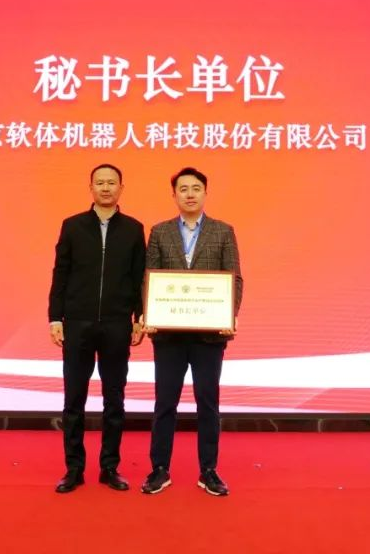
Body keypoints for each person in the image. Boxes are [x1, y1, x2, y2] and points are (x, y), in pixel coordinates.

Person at [140, 167, 243, 497]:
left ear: (205, 193)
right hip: (168, 335)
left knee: (208, 403)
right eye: (183, 189)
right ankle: (159, 469)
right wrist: (148, 313)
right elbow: (149, 277)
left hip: (209, 336)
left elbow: (234, 279)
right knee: (165, 403)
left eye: (195, 188)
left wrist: (229, 315)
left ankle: (208, 470)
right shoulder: (159, 232)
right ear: (174, 195)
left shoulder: (223, 231)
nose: (189, 194)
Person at [48, 164, 146, 493]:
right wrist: (55, 317)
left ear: (121, 188)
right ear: (90, 188)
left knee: (114, 399)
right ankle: (74, 469)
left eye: (111, 183)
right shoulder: (73, 226)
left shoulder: (133, 229)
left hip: (117, 325)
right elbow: (60, 274)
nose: (106, 188)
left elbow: (139, 278)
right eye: (100, 182)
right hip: (77, 324)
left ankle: (109, 467)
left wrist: (140, 316)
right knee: (74, 399)